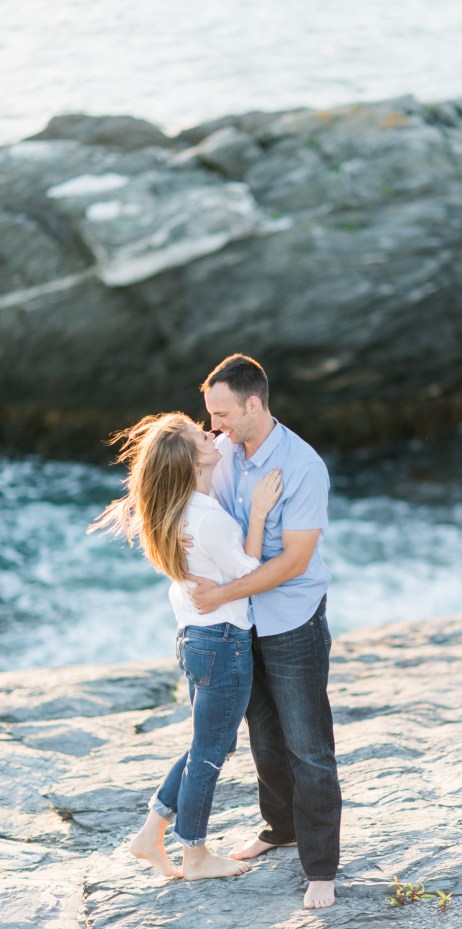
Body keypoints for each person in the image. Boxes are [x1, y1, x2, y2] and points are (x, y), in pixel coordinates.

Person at [88, 411, 282, 881]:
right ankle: (194, 854)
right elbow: (246, 572)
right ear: (193, 461)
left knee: (207, 744)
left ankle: (150, 834)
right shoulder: (207, 517)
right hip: (222, 641)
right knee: (211, 752)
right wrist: (258, 511)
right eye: (202, 435)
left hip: (195, 638)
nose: (211, 433)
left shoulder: (178, 508)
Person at [186, 354, 341, 910]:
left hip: (292, 618)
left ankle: (321, 866)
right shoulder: (220, 453)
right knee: (264, 736)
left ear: (253, 404)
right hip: (240, 624)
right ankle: (280, 828)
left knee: (308, 745)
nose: (214, 425)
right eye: (210, 414)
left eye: (222, 412)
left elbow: (296, 560)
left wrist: (221, 594)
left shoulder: (302, 466)